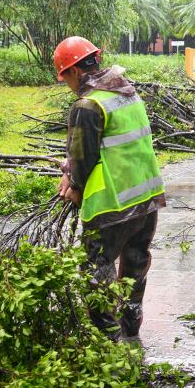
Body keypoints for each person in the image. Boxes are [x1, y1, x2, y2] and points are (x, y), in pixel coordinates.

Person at [53, 36, 166, 342]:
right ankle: (131, 329)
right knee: (135, 262)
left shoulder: (87, 104)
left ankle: (107, 342)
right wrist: (71, 172)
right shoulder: (127, 93)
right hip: (147, 199)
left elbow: (82, 156)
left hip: (111, 204)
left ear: (74, 72)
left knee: (96, 271)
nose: (66, 83)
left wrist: (74, 184)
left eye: (64, 77)